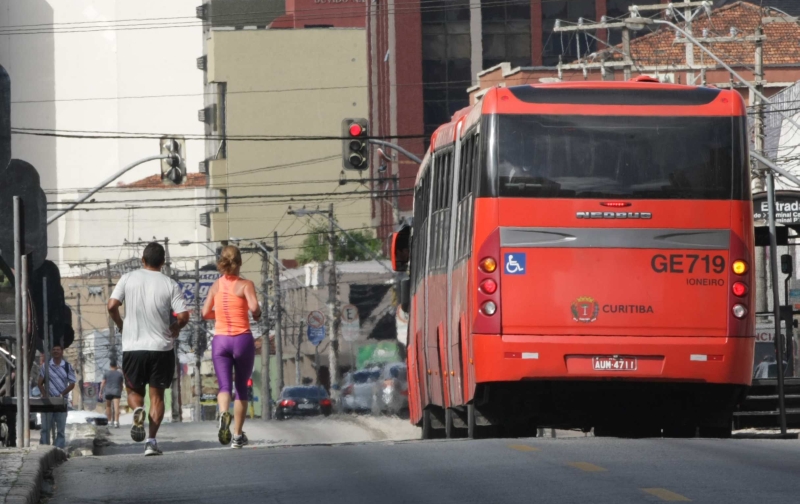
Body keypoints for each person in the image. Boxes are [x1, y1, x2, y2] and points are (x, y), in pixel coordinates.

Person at [107, 242, 189, 456]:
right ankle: (151, 442)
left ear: (142, 260)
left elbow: (111, 305)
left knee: (134, 392)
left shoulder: (127, 279)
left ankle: (137, 411)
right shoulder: (170, 284)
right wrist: (176, 326)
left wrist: (120, 324)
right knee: (158, 397)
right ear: (163, 262)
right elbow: (183, 316)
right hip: (161, 348)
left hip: (133, 347)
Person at [202, 245, 260, 449]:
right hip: (242, 339)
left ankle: (223, 413)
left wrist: (219, 315)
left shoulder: (216, 285)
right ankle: (237, 435)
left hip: (221, 341)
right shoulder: (246, 284)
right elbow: (253, 307)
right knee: (241, 388)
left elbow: (205, 313)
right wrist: (257, 312)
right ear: (240, 262)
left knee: (224, 386)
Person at [38, 343, 75, 449]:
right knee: (45, 429)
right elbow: (40, 383)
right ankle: (44, 449)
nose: (56, 351)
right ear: (51, 352)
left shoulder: (67, 367)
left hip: (61, 403)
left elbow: (72, 384)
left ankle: (59, 450)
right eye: (54, 349)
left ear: (62, 351)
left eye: (58, 349)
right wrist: (45, 395)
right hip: (48, 403)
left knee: (61, 430)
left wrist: (62, 394)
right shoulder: (46, 366)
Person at [100, 361, 124, 428]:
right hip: (116, 391)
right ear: (116, 366)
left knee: (108, 407)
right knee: (116, 407)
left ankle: (109, 421)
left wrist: (101, 392)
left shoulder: (106, 373)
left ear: (110, 366)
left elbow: (103, 383)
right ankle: (116, 422)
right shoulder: (119, 374)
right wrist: (120, 391)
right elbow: (121, 385)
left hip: (108, 392)